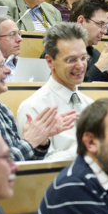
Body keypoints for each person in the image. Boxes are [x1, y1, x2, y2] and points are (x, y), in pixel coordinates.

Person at [17, 23, 96, 161]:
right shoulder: (34, 107)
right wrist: (87, 148)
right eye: (71, 60)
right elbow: (40, 166)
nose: (80, 66)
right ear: (50, 61)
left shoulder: (90, 104)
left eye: (83, 58)